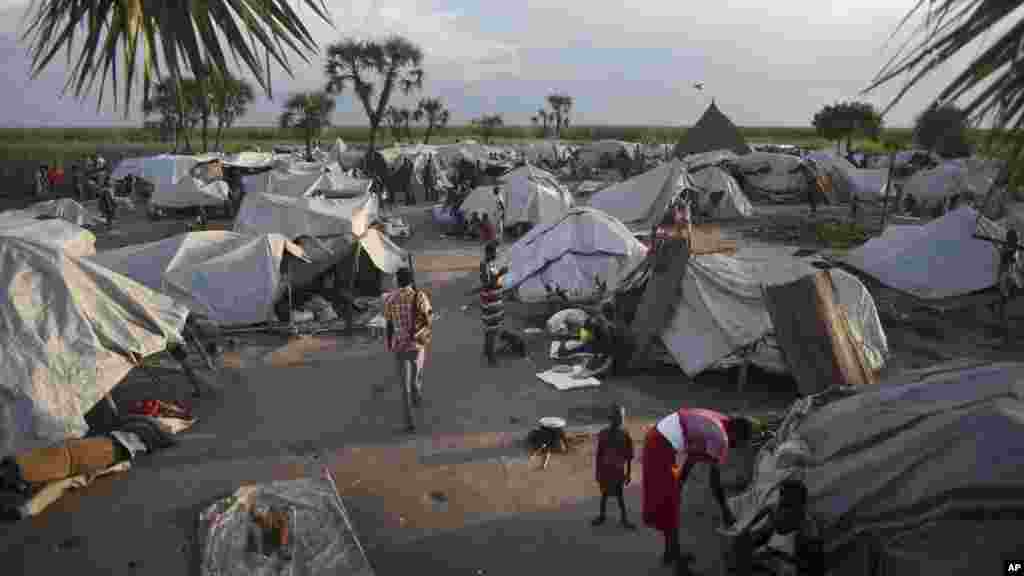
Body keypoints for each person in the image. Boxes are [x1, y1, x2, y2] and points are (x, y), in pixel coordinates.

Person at [642, 408, 755, 574]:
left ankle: (671, 553)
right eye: (739, 442)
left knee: (671, 502)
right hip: (660, 445)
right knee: (670, 506)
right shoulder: (720, 437)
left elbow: (694, 455)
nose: (735, 447)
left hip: (659, 437)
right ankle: (678, 565)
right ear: (736, 433)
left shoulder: (722, 422)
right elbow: (714, 481)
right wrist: (725, 511)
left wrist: (680, 481)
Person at [383, 267, 433, 433]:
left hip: (399, 345)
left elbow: (389, 323)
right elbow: (428, 318)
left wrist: (389, 342)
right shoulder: (419, 296)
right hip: (417, 344)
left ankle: (408, 421)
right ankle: (417, 391)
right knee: (417, 373)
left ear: (397, 280)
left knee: (403, 386)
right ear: (411, 280)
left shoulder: (390, 299)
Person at [479, 241, 526, 366]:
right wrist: (500, 274)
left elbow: (494, 282)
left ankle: (487, 351)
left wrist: (500, 280)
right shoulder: (484, 265)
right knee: (491, 330)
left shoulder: (491, 264)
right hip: (490, 303)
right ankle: (490, 357)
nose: (497, 254)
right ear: (489, 252)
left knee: (492, 329)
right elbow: (487, 284)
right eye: (495, 252)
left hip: (495, 301)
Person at [592, 404, 636, 530]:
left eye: (620, 418)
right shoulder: (605, 434)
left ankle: (621, 519)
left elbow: (628, 456)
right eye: (617, 418)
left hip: (617, 471)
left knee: (618, 496)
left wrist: (628, 473)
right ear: (612, 419)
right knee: (605, 495)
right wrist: (597, 472)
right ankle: (605, 516)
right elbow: (599, 455)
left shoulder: (623, 434)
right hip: (607, 471)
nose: (619, 421)